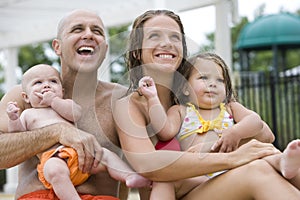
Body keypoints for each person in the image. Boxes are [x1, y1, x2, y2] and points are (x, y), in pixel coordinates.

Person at [113, 9, 300, 200]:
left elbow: (266, 136)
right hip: (177, 194)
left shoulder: (201, 95)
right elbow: (148, 164)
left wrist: (232, 136)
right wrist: (231, 157)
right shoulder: (130, 106)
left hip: (220, 184)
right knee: (258, 171)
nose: (167, 43)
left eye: (175, 37)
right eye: (154, 35)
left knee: (286, 169)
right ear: (136, 51)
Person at [0, 9, 131, 199]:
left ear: (105, 50)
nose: (88, 35)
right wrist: (57, 131)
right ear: (57, 47)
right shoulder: (26, 94)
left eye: (97, 31)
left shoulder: (122, 99)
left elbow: (141, 167)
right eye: (77, 29)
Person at [139, 52, 300, 199]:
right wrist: (152, 98)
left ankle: (281, 162)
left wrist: (236, 132)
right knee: (166, 180)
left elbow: (255, 121)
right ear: (185, 88)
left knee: (261, 150)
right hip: (198, 175)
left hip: (232, 169)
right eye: (203, 78)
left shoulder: (230, 108)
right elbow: (164, 131)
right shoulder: (181, 111)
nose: (213, 84)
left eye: (220, 80)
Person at [6, 64, 151, 200]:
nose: (46, 85)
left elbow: (75, 113)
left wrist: (54, 101)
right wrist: (13, 119)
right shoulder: (28, 114)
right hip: (54, 157)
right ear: (25, 97)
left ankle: (128, 176)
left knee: (106, 154)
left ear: (62, 91)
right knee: (54, 171)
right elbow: (18, 135)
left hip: (82, 157)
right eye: (38, 83)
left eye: (53, 81)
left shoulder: (64, 104)